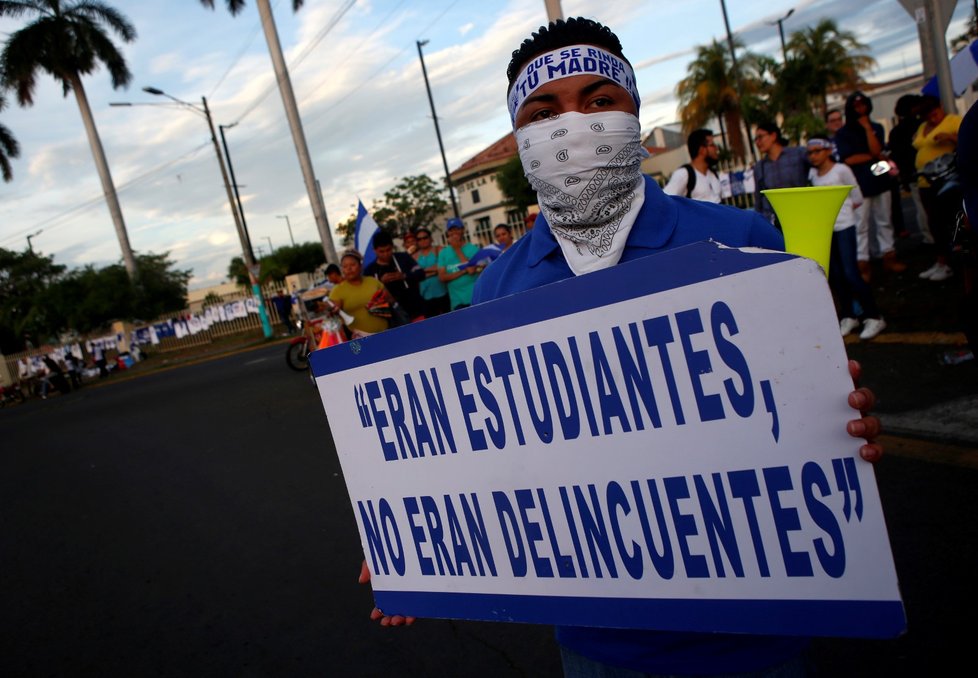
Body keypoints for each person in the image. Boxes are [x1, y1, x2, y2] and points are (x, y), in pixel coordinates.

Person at [362, 17, 884, 678]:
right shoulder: (499, 285)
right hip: (600, 644)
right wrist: (411, 532)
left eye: (599, 102)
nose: (574, 125)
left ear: (635, 115)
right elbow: (485, 447)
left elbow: (808, 407)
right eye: (545, 112)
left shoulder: (741, 237)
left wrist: (844, 419)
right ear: (521, 139)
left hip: (756, 632)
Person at [807, 136, 886, 340]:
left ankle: (873, 316)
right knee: (836, 275)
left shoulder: (841, 170)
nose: (813, 156)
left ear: (827, 151)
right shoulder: (813, 174)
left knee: (851, 272)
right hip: (827, 229)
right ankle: (849, 315)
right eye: (810, 152)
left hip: (844, 226)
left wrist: (844, 214)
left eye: (817, 151)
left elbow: (857, 197)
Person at [835, 91, 906, 280]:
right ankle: (863, 263)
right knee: (861, 225)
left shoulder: (875, 127)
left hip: (880, 181)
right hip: (860, 185)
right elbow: (849, 159)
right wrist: (872, 156)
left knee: (884, 220)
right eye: (856, 106)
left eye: (863, 105)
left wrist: (867, 129)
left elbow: (877, 149)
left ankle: (888, 256)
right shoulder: (843, 133)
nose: (861, 109)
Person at [914, 95, 962, 282]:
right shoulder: (922, 127)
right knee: (932, 223)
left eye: (934, 114)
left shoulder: (954, 121)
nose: (932, 119)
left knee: (948, 221)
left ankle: (951, 262)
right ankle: (941, 260)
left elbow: (967, 141)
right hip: (926, 182)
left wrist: (949, 137)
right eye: (927, 116)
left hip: (948, 181)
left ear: (940, 107)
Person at [889, 94, 933, 244]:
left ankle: (930, 237)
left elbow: (896, 155)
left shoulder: (898, 131)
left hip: (914, 174)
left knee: (924, 208)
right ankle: (931, 237)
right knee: (925, 208)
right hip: (920, 173)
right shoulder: (920, 125)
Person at [752, 121, 809, 227]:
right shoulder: (760, 167)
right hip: (774, 221)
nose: (757, 142)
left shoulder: (798, 155)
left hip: (800, 215)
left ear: (773, 136)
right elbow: (758, 198)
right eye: (755, 139)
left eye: (760, 137)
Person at [364, 231, 425, 320]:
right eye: (381, 251)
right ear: (374, 250)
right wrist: (380, 283)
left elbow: (421, 274)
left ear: (392, 247)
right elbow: (367, 294)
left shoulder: (403, 257)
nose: (385, 254)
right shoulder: (370, 270)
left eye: (388, 250)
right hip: (389, 316)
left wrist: (404, 276)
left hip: (414, 309)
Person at [328, 250, 389, 336]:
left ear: (360, 266)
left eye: (352, 265)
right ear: (342, 270)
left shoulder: (373, 282)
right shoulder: (337, 291)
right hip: (359, 339)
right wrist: (332, 309)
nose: (349, 269)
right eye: (345, 266)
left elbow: (390, 300)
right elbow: (332, 310)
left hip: (385, 332)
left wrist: (383, 301)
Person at [663, 128, 721, 202]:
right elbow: (665, 200)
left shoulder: (713, 173)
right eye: (712, 145)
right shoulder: (684, 174)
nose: (716, 148)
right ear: (702, 150)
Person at [437, 218, 481, 310]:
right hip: (457, 301)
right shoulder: (443, 253)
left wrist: (457, 249)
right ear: (448, 233)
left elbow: (471, 270)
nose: (454, 233)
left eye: (457, 229)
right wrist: (463, 270)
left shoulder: (473, 249)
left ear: (463, 230)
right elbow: (442, 277)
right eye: (451, 230)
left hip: (473, 297)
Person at [413, 227, 450, 318]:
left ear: (430, 238)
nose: (423, 240)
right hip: (426, 296)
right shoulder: (415, 256)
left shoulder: (439, 250)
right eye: (419, 239)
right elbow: (415, 275)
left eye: (425, 237)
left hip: (443, 293)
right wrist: (434, 270)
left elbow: (444, 268)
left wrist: (424, 272)